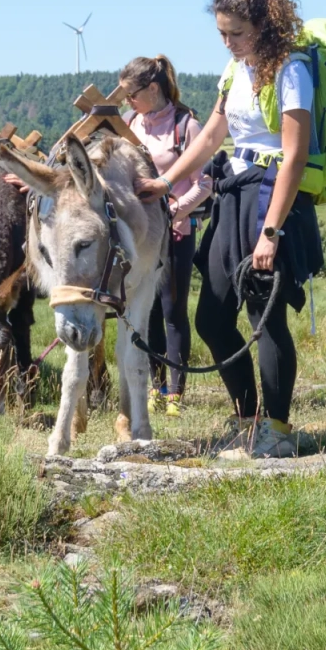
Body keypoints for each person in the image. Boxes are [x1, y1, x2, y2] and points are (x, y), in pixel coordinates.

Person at [138, 0, 325, 457]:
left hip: (271, 200)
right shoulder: (233, 72)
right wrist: (165, 180)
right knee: (212, 318)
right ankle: (247, 421)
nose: (227, 41)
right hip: (233, 195)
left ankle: (278, 431)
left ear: (264, 24)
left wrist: (270, 233)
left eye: (236, 32)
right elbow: (211, 138)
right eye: (221, 32)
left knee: (265, 317)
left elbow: (295, 156)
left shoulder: (292, 72)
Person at [118, 55, 212, 418]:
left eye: (131, 94)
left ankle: (176, 391)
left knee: (173, 310)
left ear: (152, 89)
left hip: (176, 231)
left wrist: (175, 210)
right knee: (148, 309)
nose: (127, 102)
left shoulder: (186, 125)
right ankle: (154, 385)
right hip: (141, 236)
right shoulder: (130, 124)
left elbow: (205, 184)